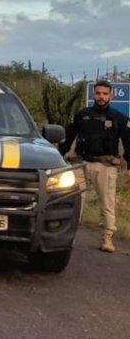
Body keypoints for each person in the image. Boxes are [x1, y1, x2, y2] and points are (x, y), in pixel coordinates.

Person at [59, 80, 130, 253]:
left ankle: (107, 238)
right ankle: (69, 237)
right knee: (75, 202)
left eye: (105, 94)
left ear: (111, 96)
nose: (101, 97)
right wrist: (59, 156)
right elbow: (68, 138)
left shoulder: (118, 118)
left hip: (106, 167)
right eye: (98, 93)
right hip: (82, 164)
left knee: (107, 203)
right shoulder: (82, 115)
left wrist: (129, 168)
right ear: (93, 94)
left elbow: (129, 143)